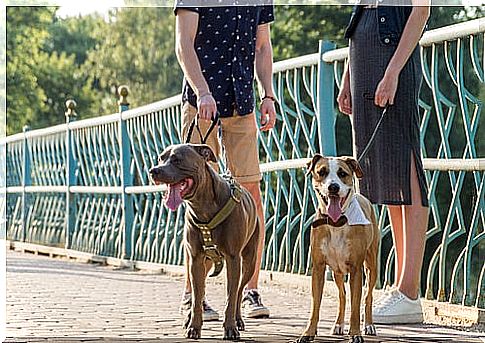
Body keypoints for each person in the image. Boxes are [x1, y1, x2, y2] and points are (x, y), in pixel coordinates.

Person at [174, 4, 277, 321]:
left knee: (252, 197)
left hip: (242, 103)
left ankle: (249, 290)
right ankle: (194, 295)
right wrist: (202, 91)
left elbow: (262, 46)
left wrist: (268, 94)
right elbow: (183, 44)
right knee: (199, 201)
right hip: (202, 104)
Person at [338, 0, 430, 324]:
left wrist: (393, 72)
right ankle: (399, 290)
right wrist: (348, 74)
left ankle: (410, 291)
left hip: (393, 57)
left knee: (405, 163)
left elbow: (421, 10)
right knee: (385, 174)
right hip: (364, 55)